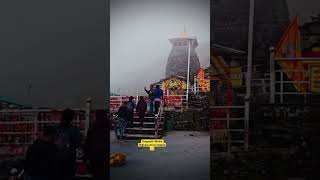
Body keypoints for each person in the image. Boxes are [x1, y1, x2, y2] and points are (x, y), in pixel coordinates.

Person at [55, 109, 81, 180]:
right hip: (69, 158)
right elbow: (77, 144)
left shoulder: (55, 127)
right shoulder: (74, 129)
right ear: (72, 118)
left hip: (56, 157)